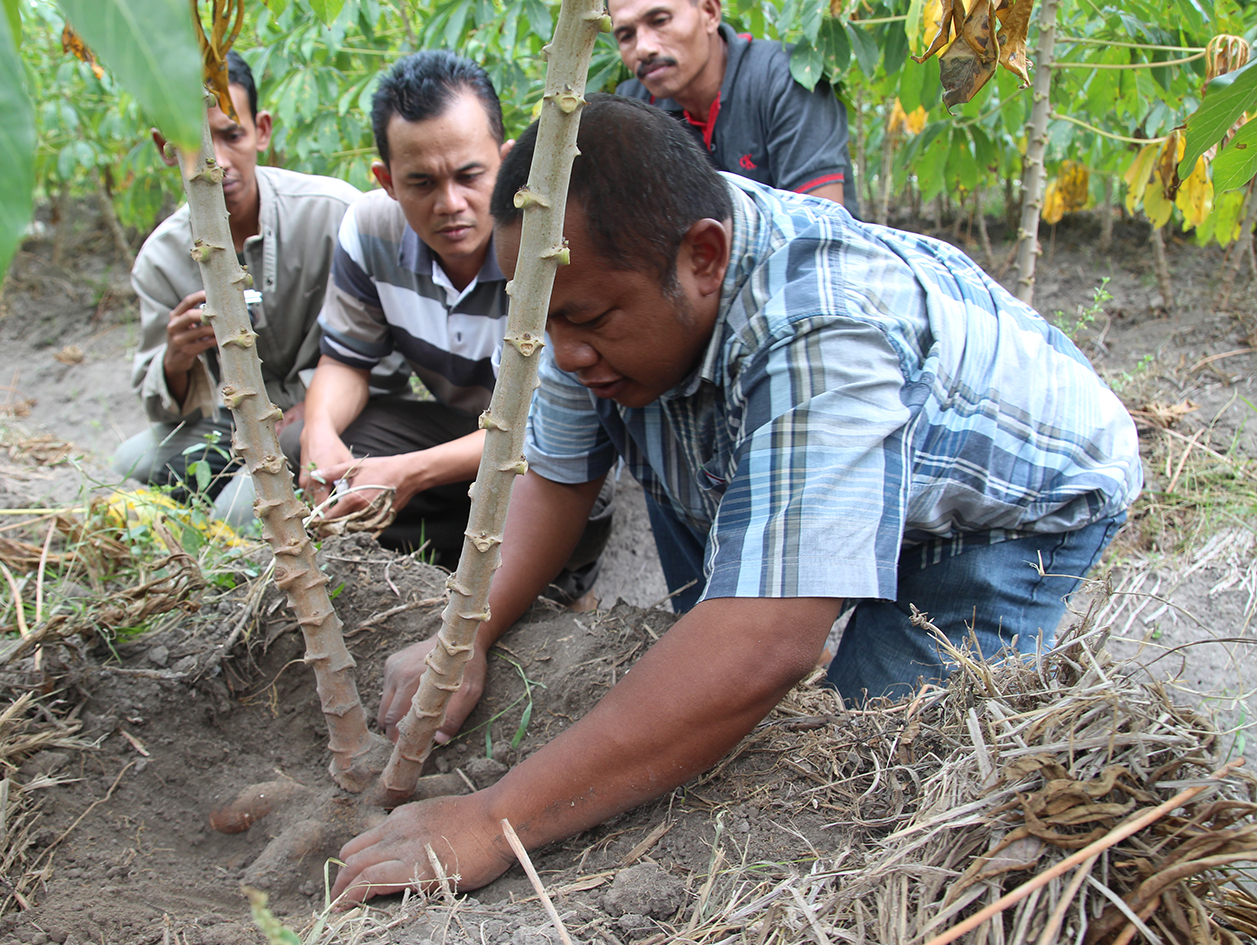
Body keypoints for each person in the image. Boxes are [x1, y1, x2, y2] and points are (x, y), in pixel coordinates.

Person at [329, 96, 1142, 902]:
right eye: (544, 323)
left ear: (705, 258)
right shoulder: (592, 283)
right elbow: (555, 475)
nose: (565, 353)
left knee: (872, 761)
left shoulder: (821, 325)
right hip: (760, 442)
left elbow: (763, 642)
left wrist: (494, 818)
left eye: (588, 320)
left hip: (1001, 504)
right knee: (715, 655)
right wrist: (463, 633)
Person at [298, 50, 610, 594]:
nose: (451, 204)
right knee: (310, 446)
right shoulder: (370, 231)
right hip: (462, 434)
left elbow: (553, 426)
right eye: (421, 183)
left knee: (573, 490)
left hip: (551, 444)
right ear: (387, 180)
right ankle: (444, 560)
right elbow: (345, 361)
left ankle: (558, 573)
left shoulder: (547, 247)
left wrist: (410, 472)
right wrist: (319, 437)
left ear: (509, 162)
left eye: (470, 176)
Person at [116, 52, 400, 526]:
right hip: (233, 424)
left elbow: (390, 349)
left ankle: (248, 518)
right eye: (193, 142)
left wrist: (316, 404)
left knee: (239, 514)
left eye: (232, 135)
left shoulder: (332, 214)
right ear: (164, 146)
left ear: (261, 130)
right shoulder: (161, 259)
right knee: (135, 461)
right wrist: (177, 357)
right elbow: (158, 399)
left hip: (336, 415)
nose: (216, 162)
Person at [611, 0, 857, 212]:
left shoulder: (784, 80)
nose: (643, 48)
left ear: (709, 12)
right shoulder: (635, 108)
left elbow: (818, 232)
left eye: (660, 21)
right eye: (626, 36)